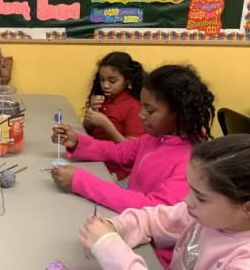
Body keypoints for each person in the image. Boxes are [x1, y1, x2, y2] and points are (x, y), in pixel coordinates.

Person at [51, 65, 215, 267]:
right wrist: (78, 142)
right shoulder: (154, 138)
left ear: (179, 113)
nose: (141, 115)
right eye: (142, 106)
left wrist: (81, 181)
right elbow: (120, 152)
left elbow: (151, 208)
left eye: (150, 109)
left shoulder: (192, 162)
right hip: (130, 229)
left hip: (154, 255)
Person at [80, 134, 250, 270]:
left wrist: (110, 249)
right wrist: (115, 226)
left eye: (200, 196)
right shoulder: (201, 214)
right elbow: (152, 219)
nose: (186, 200)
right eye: (189, 188)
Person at [83, 52, 145, 180]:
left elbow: (132, 151)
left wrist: (106, 124)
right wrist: (91, 114)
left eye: (112, 81)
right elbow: (86, 131)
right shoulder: (103, 99)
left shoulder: (134, 106)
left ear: (128, 80)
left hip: (116, 170)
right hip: (95, 159)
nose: (105, 85)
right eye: (102, 80)